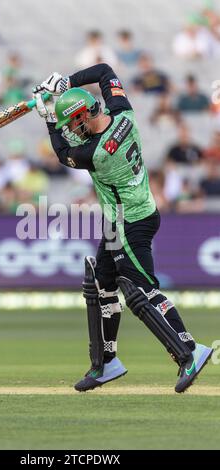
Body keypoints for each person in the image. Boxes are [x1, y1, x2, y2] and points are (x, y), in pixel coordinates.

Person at [32, 63, 213, 393]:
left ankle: (190, 352)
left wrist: (47, 119)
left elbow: (62, 155)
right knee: (100, 284)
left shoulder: (98, 153)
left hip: (132, 221)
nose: (72, 129)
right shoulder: (124, 114)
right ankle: (105, 363)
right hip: (124, 220)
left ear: (89, 112)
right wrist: (66, 83)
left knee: (139, 291)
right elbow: (104, 71)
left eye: (75, 122)